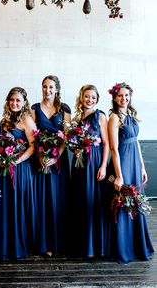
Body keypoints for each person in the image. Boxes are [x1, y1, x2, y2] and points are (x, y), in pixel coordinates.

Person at [107, 82, 154, 263]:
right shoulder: (114, 118)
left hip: (135, 161)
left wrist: (142, 166)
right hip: (124, 162)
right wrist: (119, 175)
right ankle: (124, 248)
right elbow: (113, 148)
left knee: (136, 201)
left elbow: (136, 142)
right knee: (124, 202)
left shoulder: (131, 115)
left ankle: (137, 245)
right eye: (120, 95)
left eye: (126, 95)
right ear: (114, 98)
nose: (124, 98)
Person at [31, 75, 71, 257]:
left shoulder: (64, 109)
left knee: (58, 200)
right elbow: (32, 136)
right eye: (44, 87)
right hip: (39, 160)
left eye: (51, 87)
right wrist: (40, 156)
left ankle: (60, 242)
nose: (47, 90)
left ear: (57, 89)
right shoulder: (34, 109)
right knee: (42, 200)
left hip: (59, 161)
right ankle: (43, 243)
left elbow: (67, 135)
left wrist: (55, 158)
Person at [69, 85, 109, 258]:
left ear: (97, 99)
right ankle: (81, 243)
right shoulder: (77, 118)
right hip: (79, 164)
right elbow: (72, 142)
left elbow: (106, 144)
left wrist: (103, 166)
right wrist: (74, 148)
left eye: (93, 97)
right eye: (87, 96)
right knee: (80, 200)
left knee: (93, 200)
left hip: (94, 163)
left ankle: (95, 246)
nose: (89, 100)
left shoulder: (100, 116)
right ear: (81, 98)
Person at [0, 87, 37, 259]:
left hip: (21, 168)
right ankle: (6, 243)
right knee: (7, 204)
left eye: (18, 100)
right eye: (12, 100)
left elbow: (33, 146)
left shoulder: (27, 119)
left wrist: (17, 160)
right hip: (5, 169)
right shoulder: (4, 120)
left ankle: (20, 244)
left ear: (24, 103)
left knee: (18, 203)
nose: (14, 103)